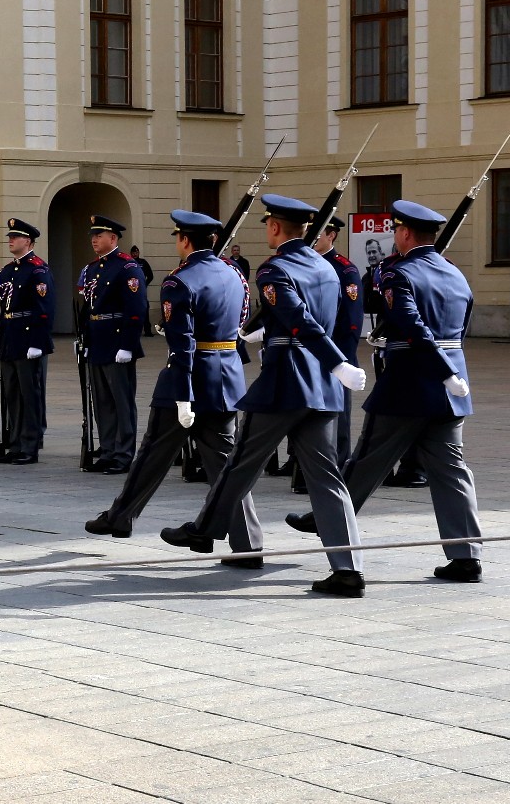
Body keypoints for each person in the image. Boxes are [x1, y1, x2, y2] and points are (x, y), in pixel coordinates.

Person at [161, 194, 369, 596]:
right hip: (322, 388)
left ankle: (204, 531)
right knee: (327, 481)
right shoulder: (326, 266)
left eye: (267, 225)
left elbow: (299, 319)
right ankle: (348, 568)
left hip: (286, 381)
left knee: (240, 461)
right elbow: (315, 318)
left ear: (275, 227)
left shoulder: (275, 268)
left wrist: (336, 362)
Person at [288, 200, 484, 583]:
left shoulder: (398, 273)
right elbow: (460, 328)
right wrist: (450, 370)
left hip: (411, 381)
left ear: (406, 233)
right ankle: (466, 556)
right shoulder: (456, 274)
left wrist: (438, 368)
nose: (395, 236)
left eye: (396, 230)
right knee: (451, 471)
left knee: (368, 459)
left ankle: (329, 518)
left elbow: (411, 324)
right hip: (452, 386)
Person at [87, 210, 257, 554]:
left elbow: (183, 344)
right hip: (226, 379)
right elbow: (240, 323)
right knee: (226, 466)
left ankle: (120, 517)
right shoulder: (234, 275)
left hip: (188, 380)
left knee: (153, 453)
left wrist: (182, 394)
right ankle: (248, 543)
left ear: (184, 240)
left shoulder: (180, 280)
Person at [77, 216, 146, 474]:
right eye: (93, 235)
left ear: (113, 238)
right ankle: (107, 451)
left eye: (100, 234)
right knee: (103, 401)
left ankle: (123, 453)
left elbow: (136, 308)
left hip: (118, 341)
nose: (94, 239)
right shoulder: (93, 268)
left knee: (121, 400)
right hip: (98, 341)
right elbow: (89, 308)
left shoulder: (127, 267)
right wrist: (85, 338)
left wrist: (128, 344)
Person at [0, 218, 53, 463]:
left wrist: (38, 342)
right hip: (10, 338)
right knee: (13, 394)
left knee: (30, 394)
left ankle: (30, 444)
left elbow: (44, 308)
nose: (10, 241)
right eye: (9, 237)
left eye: (14, 237)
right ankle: (16, 442)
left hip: (29, 338)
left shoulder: (38, 270)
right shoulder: (7, 270)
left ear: (27, 241)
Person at [313, 217, 364, 468]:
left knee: (338, 409)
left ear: (331, 235)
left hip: (337, 347)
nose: (312, 239)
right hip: (311, 348)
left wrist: (341, 355)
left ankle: (339, 459)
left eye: (318, 233)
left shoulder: (344, 269)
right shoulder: (306, 264)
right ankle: (298, 460)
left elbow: (352, 320)